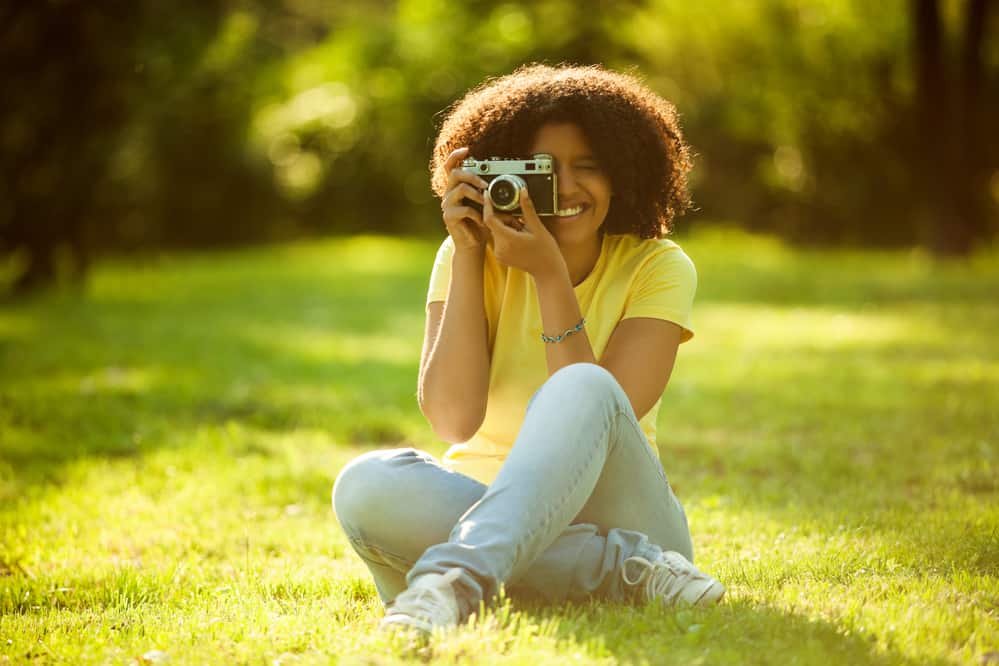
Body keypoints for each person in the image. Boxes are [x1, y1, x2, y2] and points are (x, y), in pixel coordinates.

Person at [332, 63, 724, 635]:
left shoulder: (658, 266)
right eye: (542, 171)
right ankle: (615, 574)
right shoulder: (466, 258)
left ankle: (455, 581)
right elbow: (452, 419)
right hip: (502, 511)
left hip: (625, 516)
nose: (565, 188)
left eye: (587, 168)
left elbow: (606, 418)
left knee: (585, 385)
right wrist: (468, 255)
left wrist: (548, 277)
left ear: (623, 175)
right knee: (364, 483)